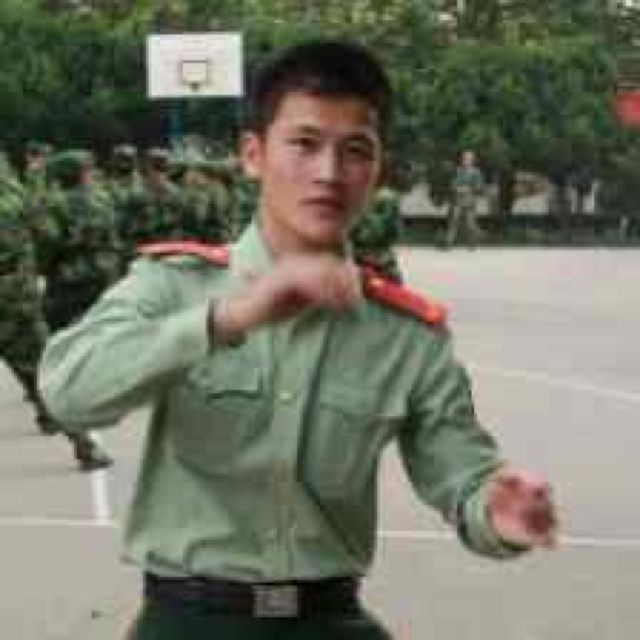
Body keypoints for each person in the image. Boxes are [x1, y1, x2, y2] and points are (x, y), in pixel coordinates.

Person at [39, 40, 557, 639]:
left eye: (355, 150)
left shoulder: (406, 336)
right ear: (253, 155)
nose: (329, 173)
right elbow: (67, 393)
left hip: (329, 618)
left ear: (379, 169)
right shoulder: (173, 286)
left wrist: (499, 511)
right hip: (188, 621)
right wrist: (229, 319)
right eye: (304, 143)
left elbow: (462, 475)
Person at [446, 149, 485, 248]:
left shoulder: (476, 172)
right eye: (464, 158)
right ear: (461, 159)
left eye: (468, 159)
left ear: (472, 160)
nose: (466, 160)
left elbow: (479, 186)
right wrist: (456, 188)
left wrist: (468, 188)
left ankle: (472, 242)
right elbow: (452, 184)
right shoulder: (457, 171)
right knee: (453, 221)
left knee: (470, 223)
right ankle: (449, 242)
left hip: (470, 200)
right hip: (457, 200)